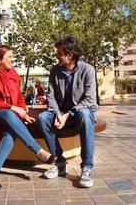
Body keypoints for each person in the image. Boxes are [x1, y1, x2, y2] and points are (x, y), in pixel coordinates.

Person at [0, 44, 54, 191]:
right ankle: (37, 150)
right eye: (9, 56)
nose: (12, 59)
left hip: (7, 116)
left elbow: (19, 99)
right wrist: (13, 108)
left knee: (9, 134)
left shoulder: (13, 75)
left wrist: (24, 113)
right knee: (9, 113)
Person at [38, 35, 98, 188]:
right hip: (61, 113)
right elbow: (50, 96)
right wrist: (58, 114)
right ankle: (60, 163)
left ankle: (87, 167)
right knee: (43, 117)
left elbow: (90, 101)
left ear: (70, 55)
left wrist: (67, 115)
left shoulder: (88, 70)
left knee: (85, 114)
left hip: (79, 113)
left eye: (59, 53)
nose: (56, 56)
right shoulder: (55, 71)